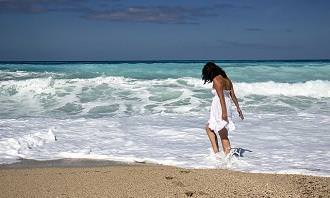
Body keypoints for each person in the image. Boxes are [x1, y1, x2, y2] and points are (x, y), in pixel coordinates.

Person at [202, 62, 244, 156]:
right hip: (226, 105)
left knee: (223, 134)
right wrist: (238, 108)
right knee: (209, 128)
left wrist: (224, 113)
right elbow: (233, 96)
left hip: (220, 107)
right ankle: (217, 153)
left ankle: (227, 158)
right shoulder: (227, 80)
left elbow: (221, 97)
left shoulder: (216, 80)